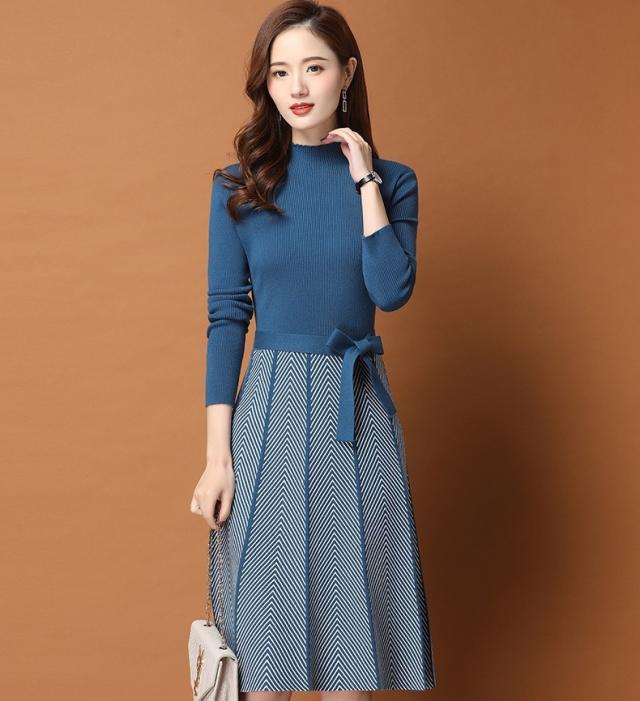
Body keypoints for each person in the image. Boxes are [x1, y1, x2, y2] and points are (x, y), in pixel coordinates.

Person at [190, 1, 437, 697]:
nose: (296, 87)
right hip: (266, 418)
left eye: (314, 68)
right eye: (280, 72)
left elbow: (391, 290)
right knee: (261, 666)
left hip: (355, 419)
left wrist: (364, 179)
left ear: (347, 74)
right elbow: (226, 319)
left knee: (349, 663)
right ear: (265, 83)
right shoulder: (238, 186)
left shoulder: (394, 181)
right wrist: (216, 460)